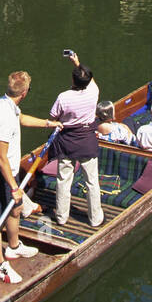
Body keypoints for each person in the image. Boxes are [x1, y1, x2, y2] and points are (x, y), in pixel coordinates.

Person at [0, 71, 58, 284]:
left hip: (9, 173)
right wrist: (14, 186)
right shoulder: (4, 117)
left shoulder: (7, 104)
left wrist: (48, 123)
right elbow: (1, 156)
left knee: (15, 209)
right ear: (24, 93)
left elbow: (21, 118)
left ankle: (14, 248)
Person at [49, 51, 104, 229]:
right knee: (92, 181)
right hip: (87, 141)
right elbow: (91, 82)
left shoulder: (63, 97)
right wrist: (77, 63)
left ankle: (62, 216)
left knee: (64, 180)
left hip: (67, 142)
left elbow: (53, 116)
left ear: (73, 81)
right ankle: (95, 218)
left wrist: (75, 64)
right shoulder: (93, 92)